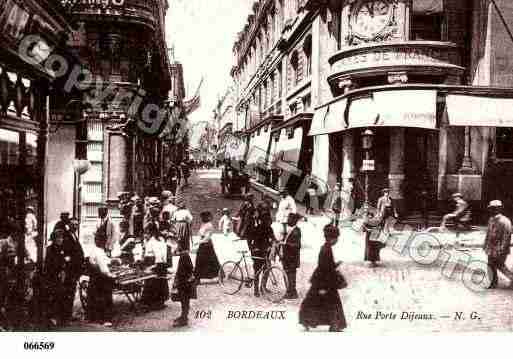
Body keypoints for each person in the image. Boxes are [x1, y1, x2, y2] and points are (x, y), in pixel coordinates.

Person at [299, 224, 347, 332]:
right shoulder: (326, 249)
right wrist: (322, 286)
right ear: (331, 238)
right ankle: (334, 324)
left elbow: (327, 266)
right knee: (330, 302)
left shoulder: (326, 248)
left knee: (316, 301)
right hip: (324, 281)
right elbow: (323, 268)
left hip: (323, 280)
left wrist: (335, 265)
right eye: (336, 238)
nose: (337, 240)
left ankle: (308, 321)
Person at [44, 228, 84, 326]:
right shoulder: (50, 249)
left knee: (65, 296)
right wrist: (60, 267)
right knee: (55, 296)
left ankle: (64, 318)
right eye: (58, 238)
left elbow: (68, 259)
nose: (60, 240)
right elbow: (50, 264)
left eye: (61, 238)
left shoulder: (64, 248)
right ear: (54, 239)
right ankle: (54, 317)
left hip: (64, 275)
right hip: (54, 276)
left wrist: (66, 263)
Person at [86, 231, 115, 327]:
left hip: (94, 279)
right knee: (106, 296)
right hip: (101, 279)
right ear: (101, 241)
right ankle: (106, 319)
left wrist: (112, 260)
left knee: (95, 297)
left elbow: (105, 260)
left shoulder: (96, 250)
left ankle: (92, 317)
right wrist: (111, 275)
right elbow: (104, 269)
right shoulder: (99, 252)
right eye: (104, 240)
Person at [484, 200, 513, 289]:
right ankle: (493, 283)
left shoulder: (505, 221)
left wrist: (501, 249)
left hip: (500, 248)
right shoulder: (491, 219)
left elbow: (506, 237)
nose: (492, 210)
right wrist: (485, 244)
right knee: (490, 265)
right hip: (491, 247)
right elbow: (488, 233)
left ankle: (512, 278)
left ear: (499, 209)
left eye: (494, 208)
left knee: (500, 265)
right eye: (491, 208)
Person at [248, 205, 276, 297]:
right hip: (258, 252)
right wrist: (253, 249)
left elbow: (273, 238)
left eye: (269, 220)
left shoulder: (269, 229)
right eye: (267, 220)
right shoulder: (257, 228)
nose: (269, 222)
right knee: (257, 271)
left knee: (267, 270)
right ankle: (256, 289)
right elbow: (251, 240)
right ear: (263, 220)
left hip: (265, 252)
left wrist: (273, 244)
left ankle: (262, 287)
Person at [141, 223, 169, 309]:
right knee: (157, 283)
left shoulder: (154, 242)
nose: (144, 235)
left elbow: (158, 255)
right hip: (158, 263)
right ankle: (156, 301)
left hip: (156, 264)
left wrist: (154, 266)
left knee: (154, 283)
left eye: (146, 233)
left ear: (151, 233)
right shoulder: (159, 239)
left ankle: (155, 302)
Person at [171, 241, 196, 328]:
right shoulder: (184, 255)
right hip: (183, 282)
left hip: (184, 283)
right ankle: (183, 316)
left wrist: (180, 279)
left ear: (181, 246)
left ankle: (184, 319)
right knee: (183, 301)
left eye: (177, 245)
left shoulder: (184, 256)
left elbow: (189, 269)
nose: (176, 247)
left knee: (184, 301)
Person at [194, 211, 220, 283]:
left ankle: (216, 275)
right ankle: (198, 277)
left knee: (209, 261)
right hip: (202, 245)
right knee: (200, 261)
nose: (202, 218)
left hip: (207, 245)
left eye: (204, 217)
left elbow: (207, 238)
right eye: (202, 217)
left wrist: (198, 242)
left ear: (208, 217)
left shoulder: (209, 225)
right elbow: (200, 234)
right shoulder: (203, 224)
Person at [281, 213, 301, 299]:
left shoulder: (296, 231)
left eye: (289, 219)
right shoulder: (290, 229)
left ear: (294, 221)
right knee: (289, 274)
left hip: (291, 257)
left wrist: (286, 243)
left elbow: (297, 245)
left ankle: (290, 292)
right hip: (288, 256)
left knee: (290, 275)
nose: (288, 220)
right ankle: (292, 291)